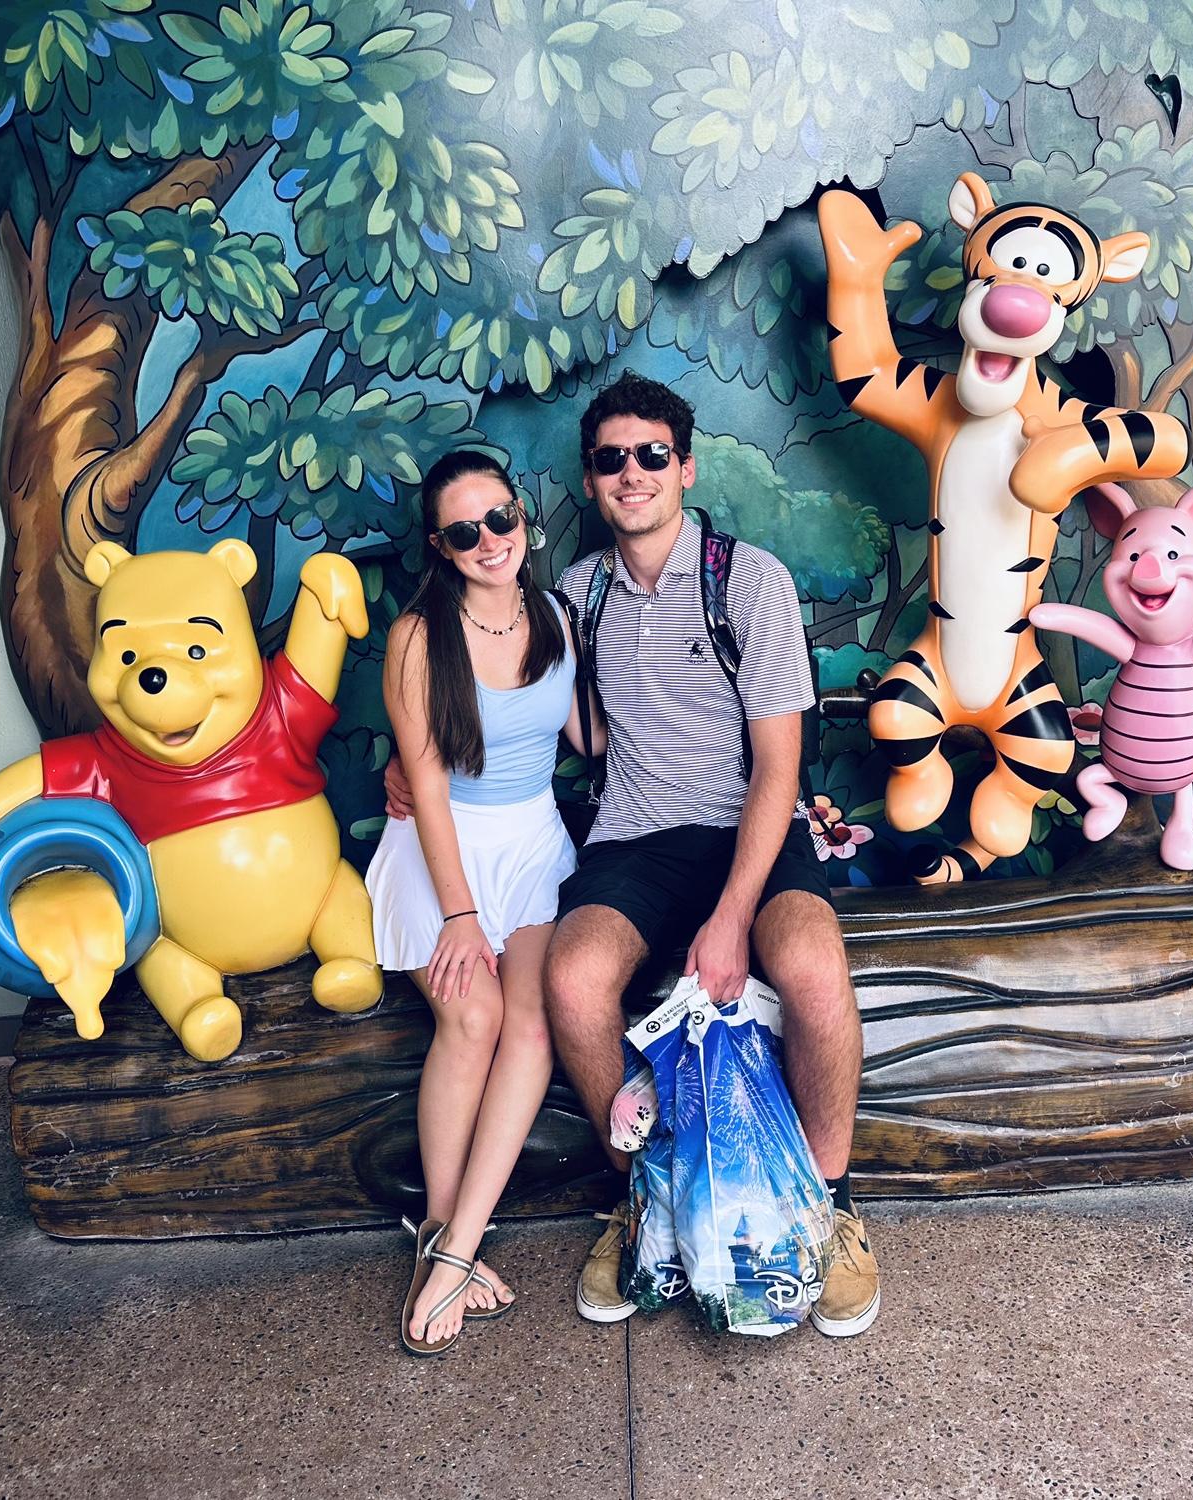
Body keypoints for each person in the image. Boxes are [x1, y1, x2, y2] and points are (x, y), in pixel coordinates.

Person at [387, 372, 879, 1338]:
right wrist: (407, 768)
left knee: (814, 968)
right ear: (589, 479)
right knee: (572, 981)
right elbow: (499, 700)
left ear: (685, 468)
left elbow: (779, 769)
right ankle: (647, 1197)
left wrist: (732, 916)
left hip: (750, 829)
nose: (632, 473)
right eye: (610, 459)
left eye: (652, 454)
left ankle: (830, 1207)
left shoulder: (751, 582)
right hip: (634, 837)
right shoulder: (575, 597)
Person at [365, 450, 601, 1357]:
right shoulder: (417, 638)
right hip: (443, 847)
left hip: (532, 843)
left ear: (522, 517)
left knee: (532, 1027)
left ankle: (456, 1248)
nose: (490, 540)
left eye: (501, 518)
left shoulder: (555, 616)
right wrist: (460, 915)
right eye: (465, 532)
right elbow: (424, 784)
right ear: (441, 546)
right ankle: (441, 1233)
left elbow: (588, 735)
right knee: (473, 1018)